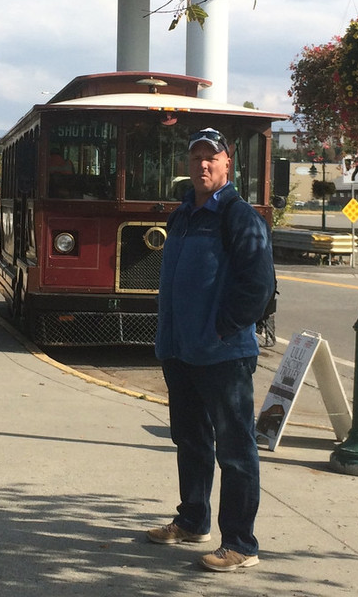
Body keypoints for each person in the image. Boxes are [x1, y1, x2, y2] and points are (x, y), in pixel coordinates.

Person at [147, 127, 275, 572]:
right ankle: (192, 520)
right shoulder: (183, 214)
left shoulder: (239, 216)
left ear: (227, 164)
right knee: (190, 440)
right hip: (180, 350)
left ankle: (240, 544)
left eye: (211, 157)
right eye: (196, 157)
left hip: (223, 354)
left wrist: (222, 330)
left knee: (235, 450)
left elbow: (259, 286)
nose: (202, 164)